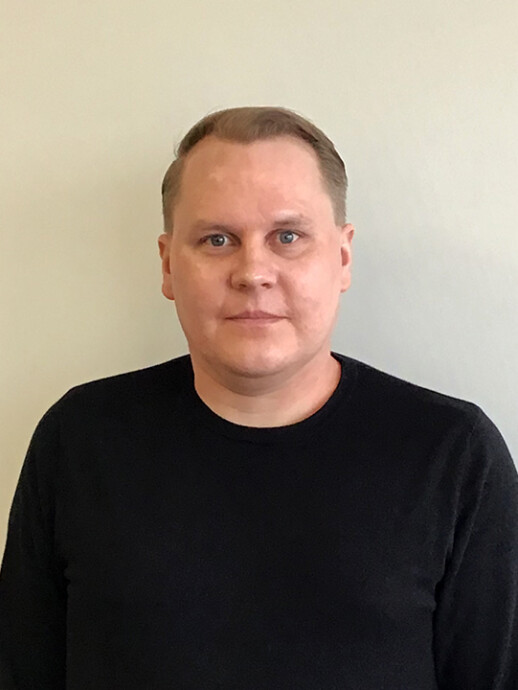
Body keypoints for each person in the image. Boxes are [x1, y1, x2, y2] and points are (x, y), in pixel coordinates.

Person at [1, 106, 517, 689]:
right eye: (217, 239)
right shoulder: (79, 440)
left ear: (342, 257)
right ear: (168, 265)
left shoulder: (452, 455)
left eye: (287, 237)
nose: (253, 272)